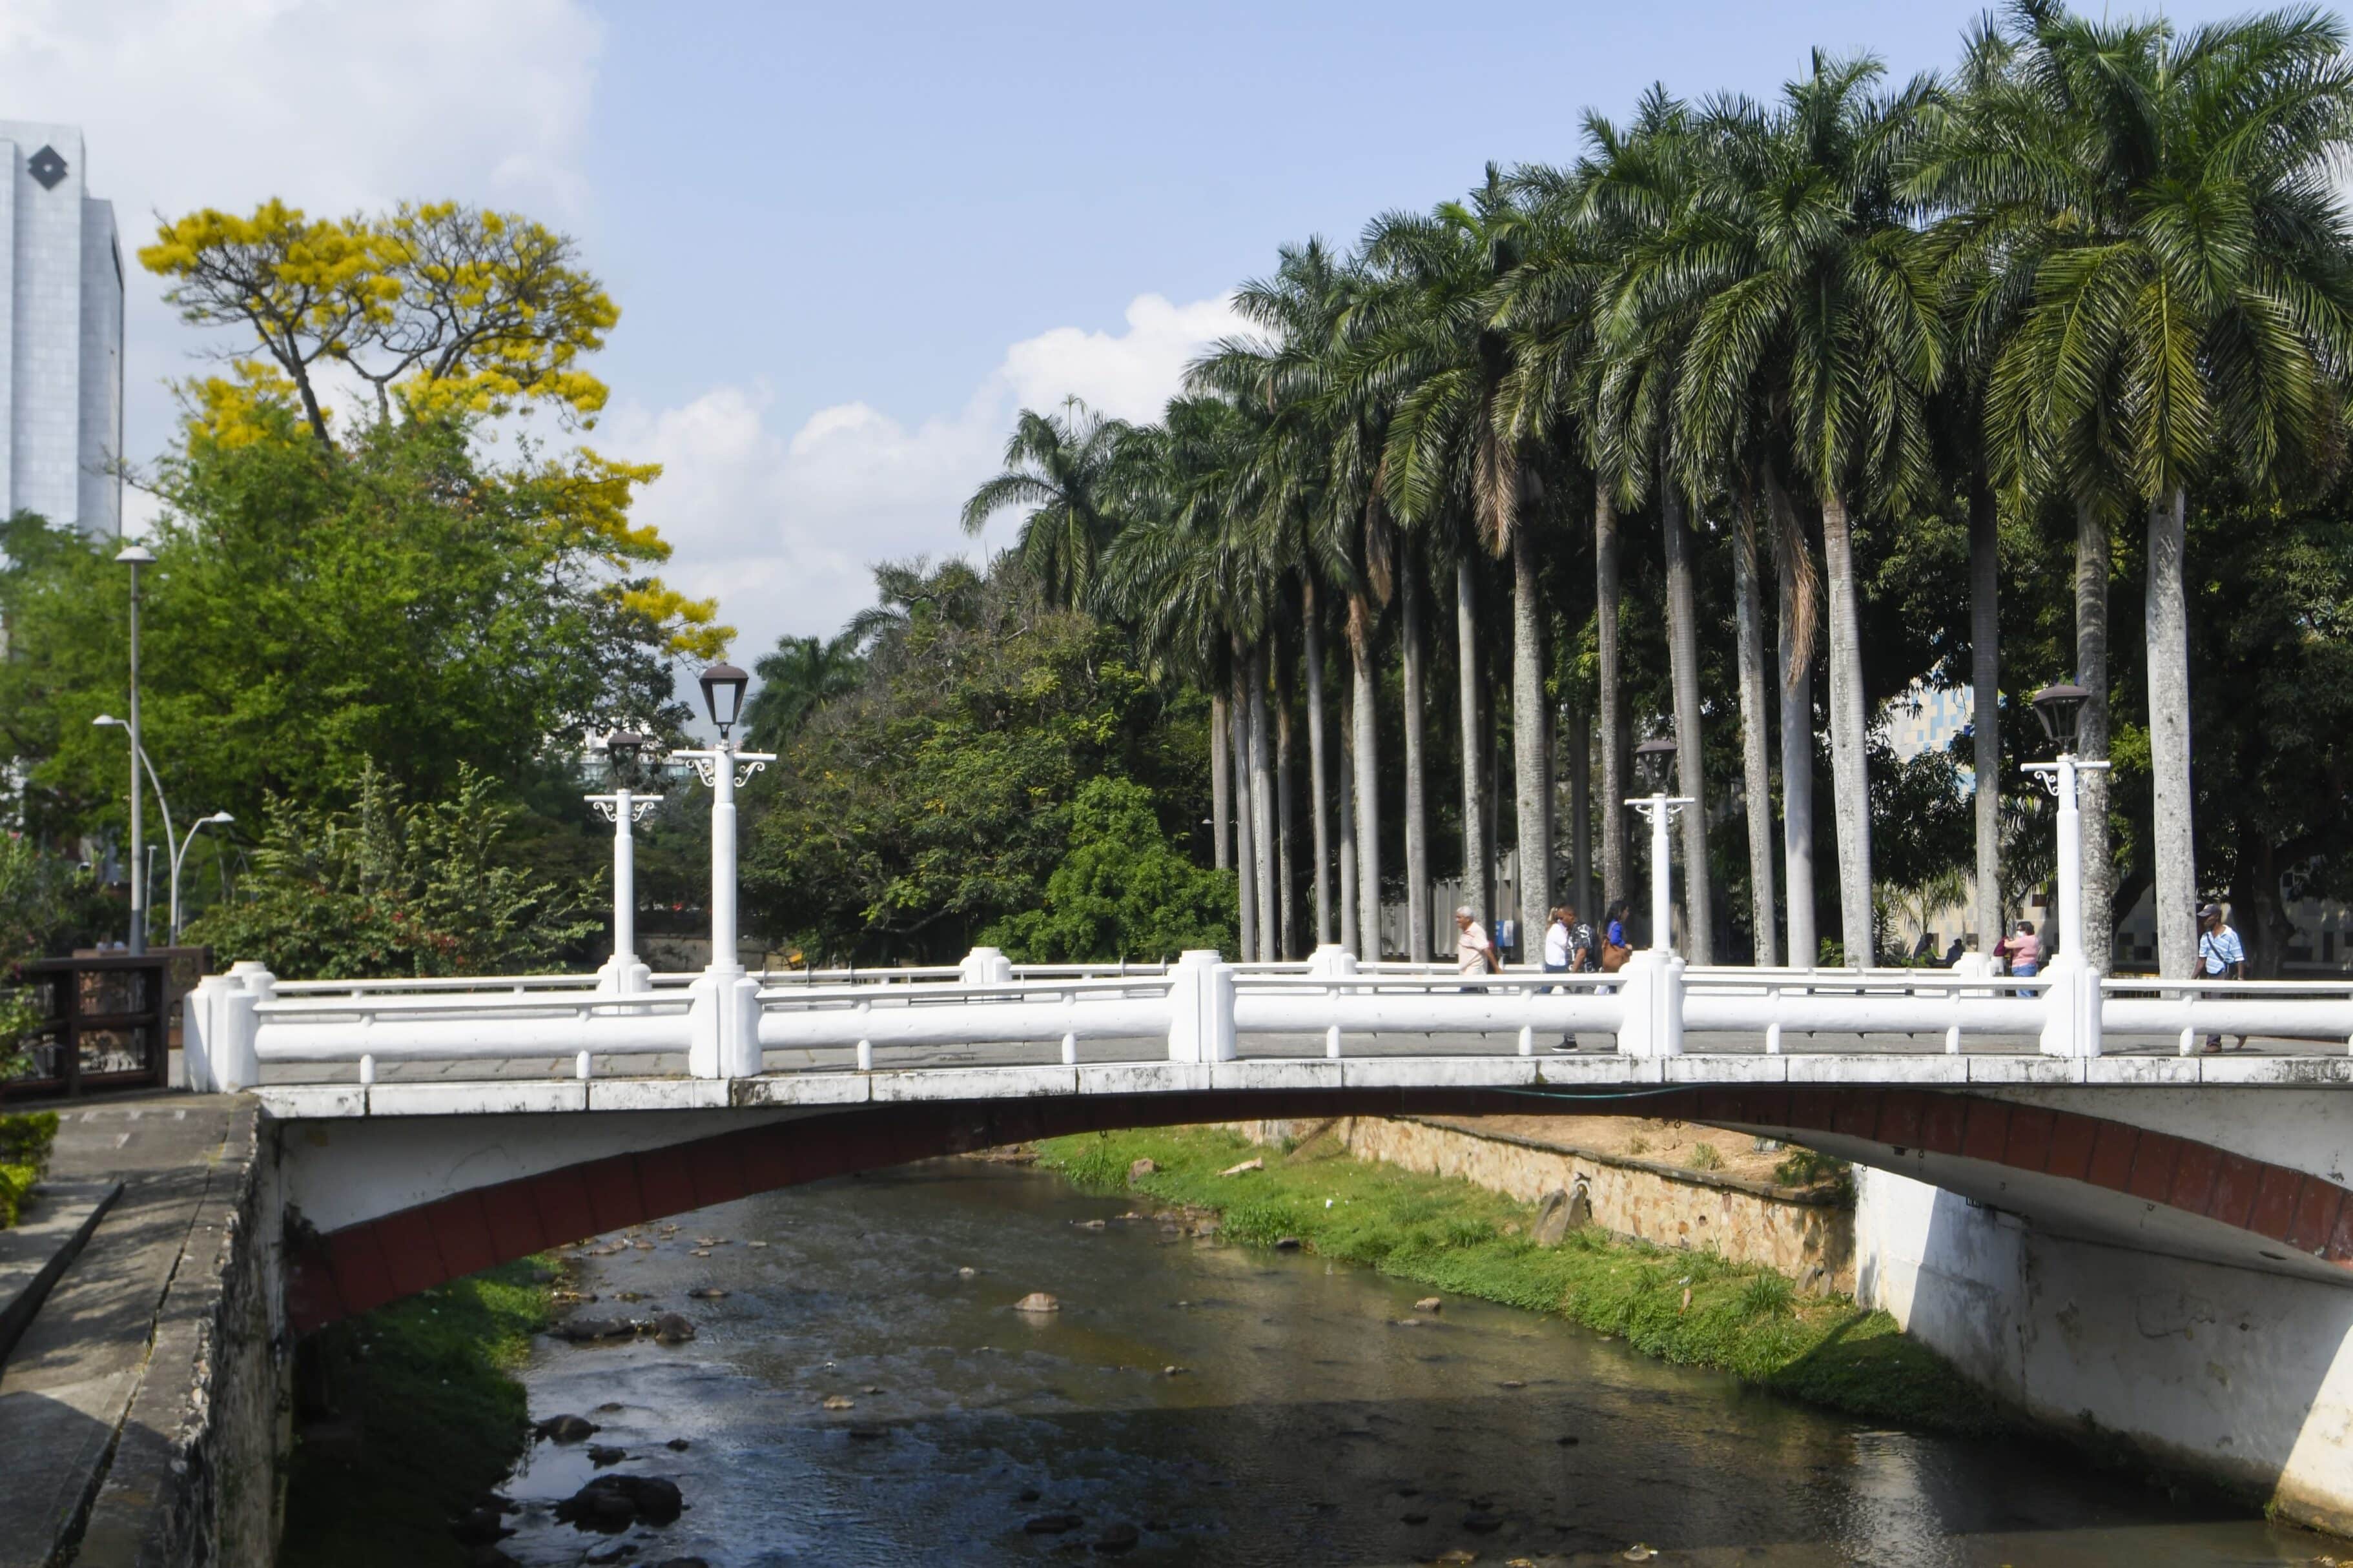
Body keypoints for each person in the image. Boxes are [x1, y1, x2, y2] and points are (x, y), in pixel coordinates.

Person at [2199, 902, 2247, 1053]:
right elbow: (2201, 961)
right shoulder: (2205, 937)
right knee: (2212, 1009)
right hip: (2210, 976)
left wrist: (2240, 978)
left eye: (2207, 917)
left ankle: (2214, 1043)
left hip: (2224, 975)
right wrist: (2191, 979)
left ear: (2216, 917)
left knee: (2216, 1008)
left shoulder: (2230, 935)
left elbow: (2240, 958)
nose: (2205, 920)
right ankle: (2239, 1031)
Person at [1543, 904, 1587, 1052]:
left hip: (1573, 971)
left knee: (1578, 1006)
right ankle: (1570, 1040)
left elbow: (1580, 952)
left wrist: (1573, 972)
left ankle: (1570, 1040)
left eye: (1562, 918)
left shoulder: (1580, 930)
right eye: (1558, 918)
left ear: (1571, 916)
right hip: (1562, 968)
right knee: (1568, 1005)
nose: (1561, 921)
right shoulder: (1559, 929)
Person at [1454, 904, 1497, 983]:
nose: (1456, 920)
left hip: (1473, 972)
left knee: (1465, 993)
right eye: (1456, 917)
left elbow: (1486, 950)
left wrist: (1497, 968)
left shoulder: (1476, 931)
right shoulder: (1468, 931)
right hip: (1467, 972)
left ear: (1467, 919)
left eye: (1459, 917)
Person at [1997, 920, 2039, 996]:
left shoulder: (2026, 939)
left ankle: (2025, 1007)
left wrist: (2006, 940)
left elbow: (2008, 945)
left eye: (2020, 930)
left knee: (2023, 992)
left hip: (2022, 968)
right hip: (2029, 967)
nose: (2018, 932)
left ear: (2026, 930)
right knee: (2027, 990)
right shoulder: (2034, 939)